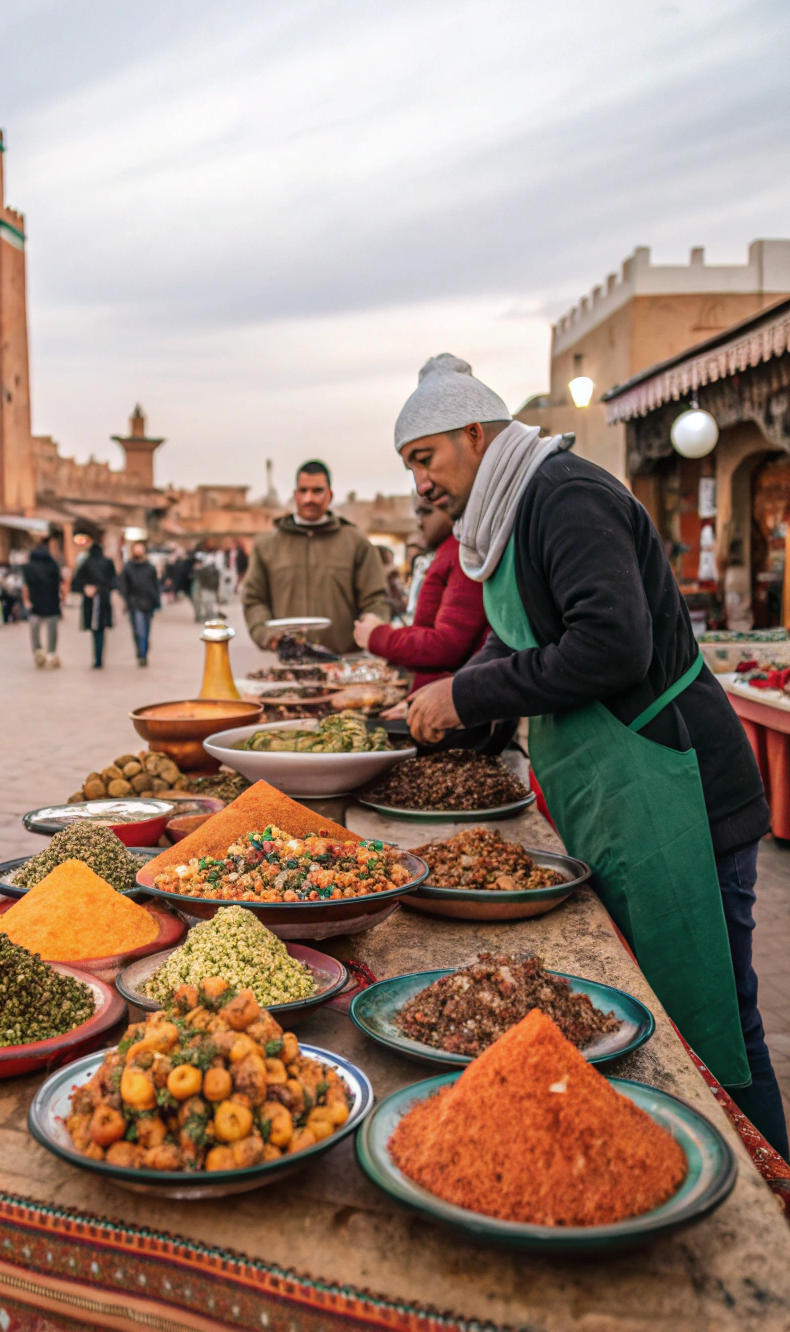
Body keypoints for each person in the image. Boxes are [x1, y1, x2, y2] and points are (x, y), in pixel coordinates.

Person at [394, 352, 787, 1158]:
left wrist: (464, 697)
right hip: (621, 798)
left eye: (425, 458)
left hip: (680, 787)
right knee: (655, 1012)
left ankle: (769, 1194)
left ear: (474, 433)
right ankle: (673, 1152)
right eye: (410, 467)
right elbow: (515, 642)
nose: (421, 482)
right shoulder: (511, 510)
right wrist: (438, 709)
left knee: (715, 1018)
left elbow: (612, 646)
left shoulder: (564, 497)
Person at [241, 460, 391, 655]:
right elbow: (254, 599)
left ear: (329, 495)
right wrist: (268, 634)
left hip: (344, 663)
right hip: (287, 665)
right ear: (295, 495)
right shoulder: (268, 545)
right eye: (303, 491)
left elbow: (377, 599)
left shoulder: (355, 542)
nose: (308, 498)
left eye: (317, 491)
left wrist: (371, 623)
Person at [353, 498, 487, 691]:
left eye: (426, 512)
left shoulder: (461, 554)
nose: (419, 521)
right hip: (440, 693)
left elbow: (447, 647)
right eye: (417, 513)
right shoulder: (449, 552)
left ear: (452, 508)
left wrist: (377, 636)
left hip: (454, 698)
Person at [71, 538, 118, 668]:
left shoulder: (86, 562)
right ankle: (98, 657)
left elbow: (75, 583)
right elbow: (114, 582)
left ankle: (97, 658)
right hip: (100, 601)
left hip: (96, 601)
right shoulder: (105, 562)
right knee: (99, 630)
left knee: (96, 630)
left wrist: (88, 588)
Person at [22, 537, 62, 668]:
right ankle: (51, 654)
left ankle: (38, 652)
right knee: (52, 631)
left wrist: (26, 601)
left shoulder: (28, 568)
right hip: (52, 604)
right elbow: (61, 584)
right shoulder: (54, 566)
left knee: (34, 630)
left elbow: (25, 586)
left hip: (36, 605)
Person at [120, 540, 160, 666]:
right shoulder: (128, 567)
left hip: (148, 602)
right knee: (139, 630)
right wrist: (127, 599)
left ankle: (143, 650)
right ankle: (141, 653)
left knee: (146, 630)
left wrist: (156, 601)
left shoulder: (149, 567)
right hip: (135, 602)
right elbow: (123, 585)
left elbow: (155, 585)